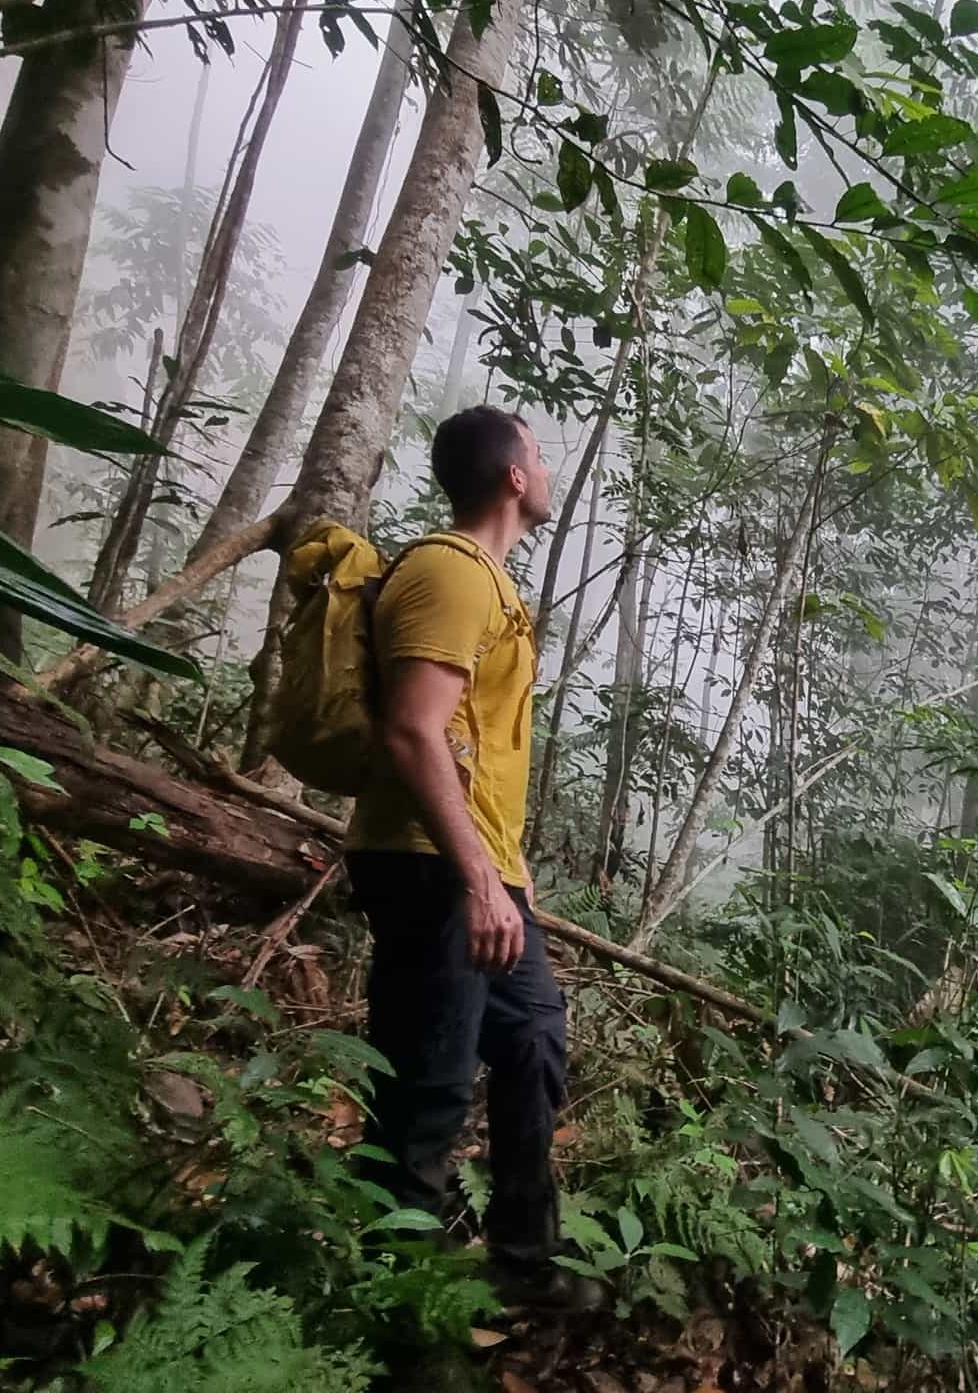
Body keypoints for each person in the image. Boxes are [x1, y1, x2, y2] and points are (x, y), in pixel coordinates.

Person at [345, 405, 596, 1311]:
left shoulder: (491, 584)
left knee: (531, 1042)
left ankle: (524, 1262)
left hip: (483, 869)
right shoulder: (450, 575)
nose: (548, 462)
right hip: (432, 864)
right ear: (514, 477)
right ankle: (392, 1307)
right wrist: (478, 879)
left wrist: (502, 877)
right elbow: (413, 733)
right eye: (540, 448)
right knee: (431, 1080)